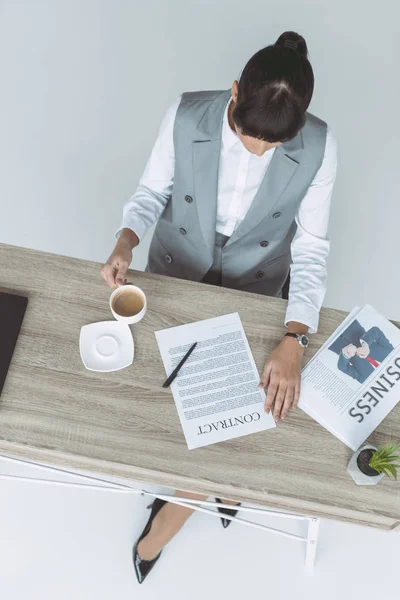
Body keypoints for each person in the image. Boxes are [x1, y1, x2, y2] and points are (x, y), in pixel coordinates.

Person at [101, 31, 337, 583]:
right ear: (232, 95)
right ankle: (220, 487)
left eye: (273, 147)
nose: (257, 152)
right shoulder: (187, 116)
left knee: (244, 412)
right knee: (174, 404)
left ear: (299, 123)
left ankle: (168, 521)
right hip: (175, 273)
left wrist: (294, 336)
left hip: (258, 287)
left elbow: (311, 247)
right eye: (247, 137)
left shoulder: (322, 145)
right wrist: (125, 241)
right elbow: (150, 194)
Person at [329, 320, 393, 384]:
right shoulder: (393, 355)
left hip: (334, 342)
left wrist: (346, 354)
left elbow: (343, 368)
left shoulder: (368, 381)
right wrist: (365, 345)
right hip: (349, 325)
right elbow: (376, 332)